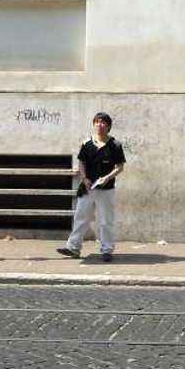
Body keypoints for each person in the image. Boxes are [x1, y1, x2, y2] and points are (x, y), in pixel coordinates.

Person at [57, 112, 126, 262]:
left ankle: (107, 250)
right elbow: (81, 162)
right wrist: (84, 178)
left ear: (108, 127)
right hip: (87, 188)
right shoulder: (87, 143)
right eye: (97, 122)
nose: (100, 125)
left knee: (105, 220)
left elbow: (120, 166)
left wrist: (107, 178)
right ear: (93, 124)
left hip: (106, 190)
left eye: (103, 123)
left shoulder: (115, 145)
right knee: (81, 217)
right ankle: (73, 248)